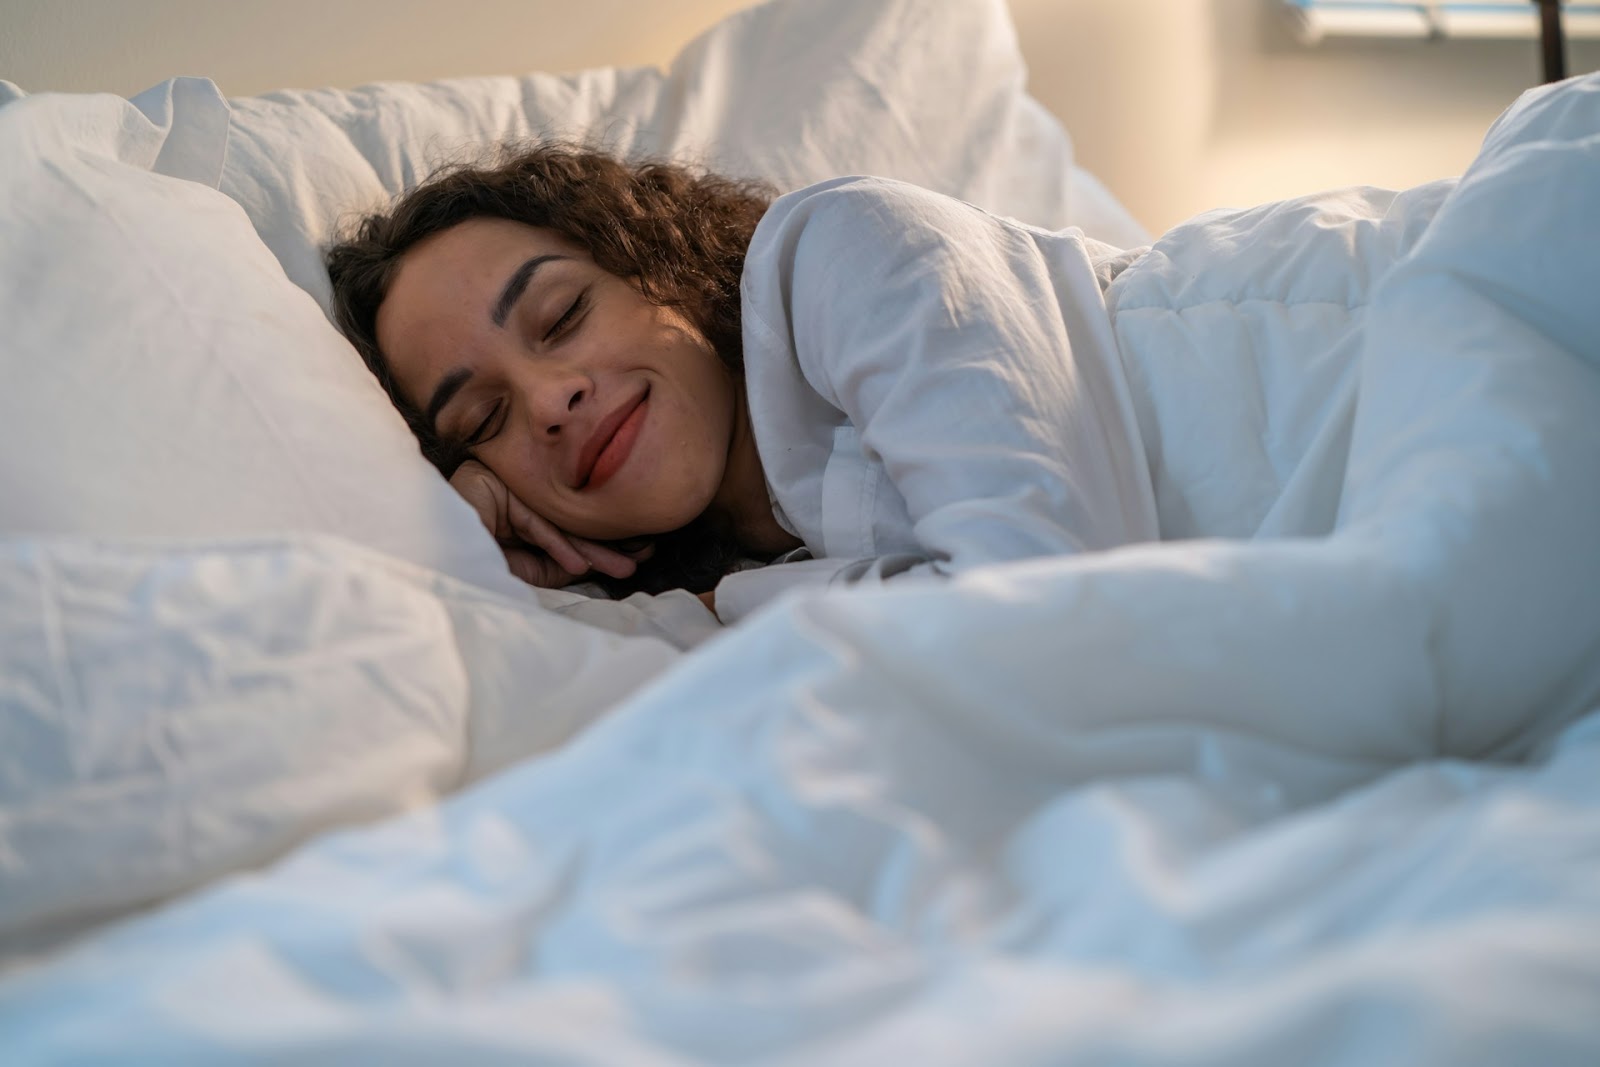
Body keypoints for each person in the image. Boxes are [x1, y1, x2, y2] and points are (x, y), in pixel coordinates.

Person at [326, 144, 1159, 623]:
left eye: (562, 314)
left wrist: (730, 601)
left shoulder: (843, 247)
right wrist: (501, 571)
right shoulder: (728, 577)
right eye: (484, 418)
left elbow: (1056, 613)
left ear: (658, 264)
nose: (549, 402)